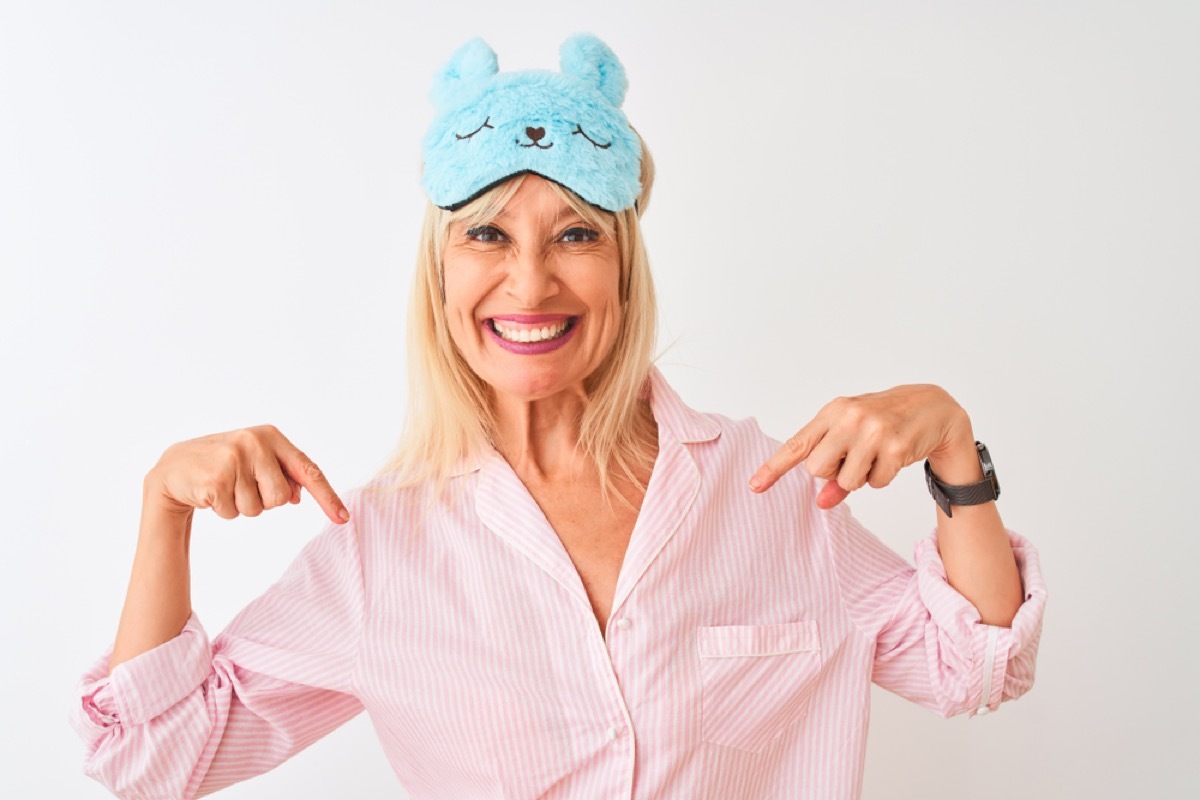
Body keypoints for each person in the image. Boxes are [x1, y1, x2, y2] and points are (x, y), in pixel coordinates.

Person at [70, 32, 1047, 799]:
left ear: (622, 261)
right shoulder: (379, 549)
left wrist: (955, 446)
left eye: (575, 232)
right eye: (487, 234)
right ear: (441, 272)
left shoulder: (770, 489)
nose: (529, 282)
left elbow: (978, 659)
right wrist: (165, 504)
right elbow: (159, 754)